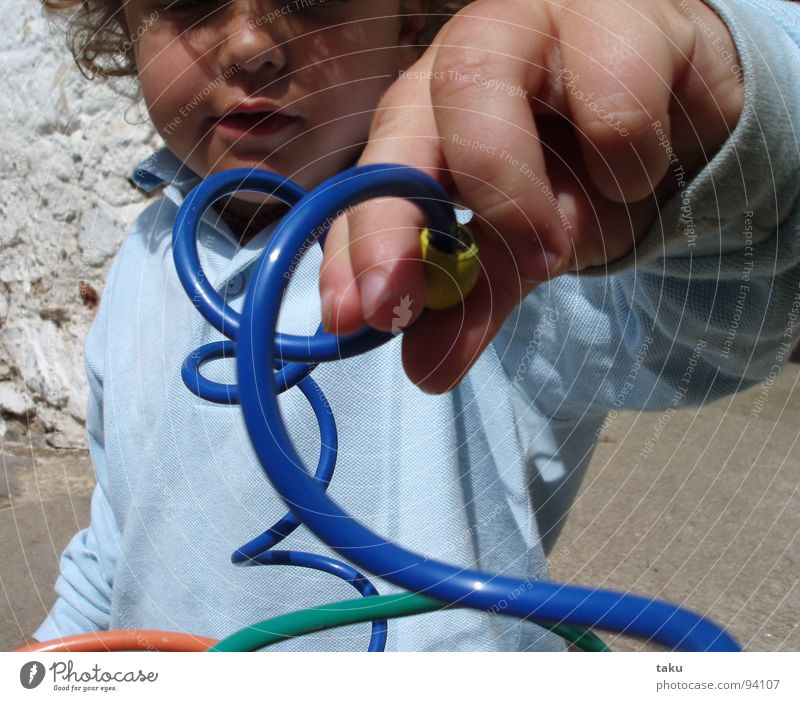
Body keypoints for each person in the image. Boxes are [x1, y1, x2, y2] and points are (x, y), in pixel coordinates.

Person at [24, 0, 800, 651]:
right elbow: (124, 525)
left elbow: (731, 315)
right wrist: (57, 650)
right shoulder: (144, 252)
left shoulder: (488, 237)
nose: (251, 45)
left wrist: (727, 125)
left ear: (406, 22)